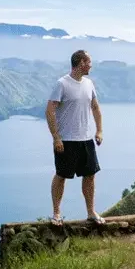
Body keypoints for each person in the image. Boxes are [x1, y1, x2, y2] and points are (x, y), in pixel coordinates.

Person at [45, 49, 104, 226]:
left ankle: (91, 212)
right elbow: (50, 110)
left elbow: (95, 107)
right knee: (61, 176)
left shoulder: (89, 84)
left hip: (86, 140)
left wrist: (99, 131)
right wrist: (56, 137)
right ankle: (56, 214)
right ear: (81, 63)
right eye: (89, 63)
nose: (91, 66)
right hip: (66, 140)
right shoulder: (62, 84)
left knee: (90, 176)